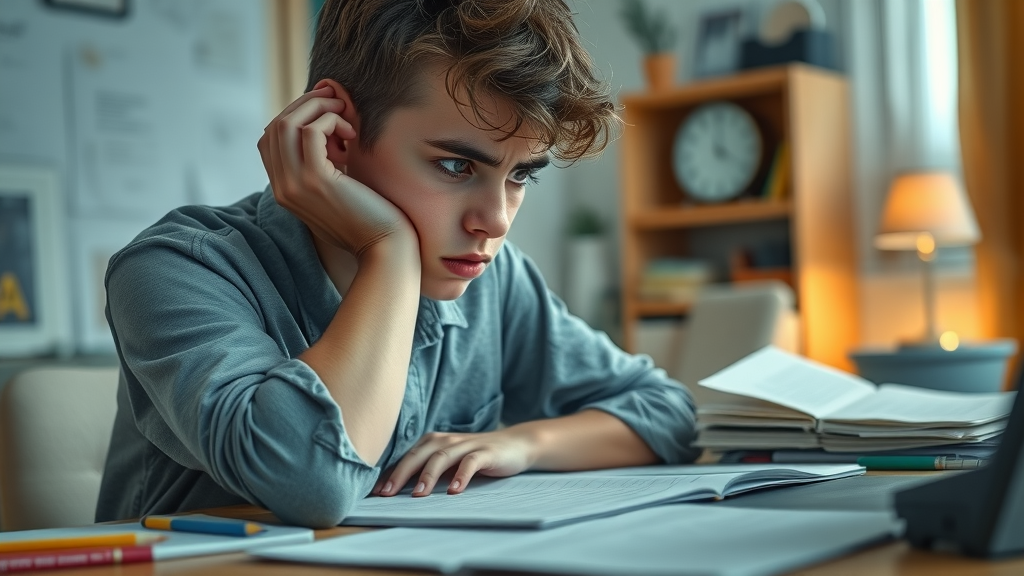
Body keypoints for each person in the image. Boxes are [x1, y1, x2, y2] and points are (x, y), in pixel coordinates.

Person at [95, 0, 699, 529]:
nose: (497, 220)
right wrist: (388, 250)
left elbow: (667, 414)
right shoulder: (175, 268)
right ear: (338, 138)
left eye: (518, 175)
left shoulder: (493, 278)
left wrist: (523, 443)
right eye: (456, 166)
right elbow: (313, 482)